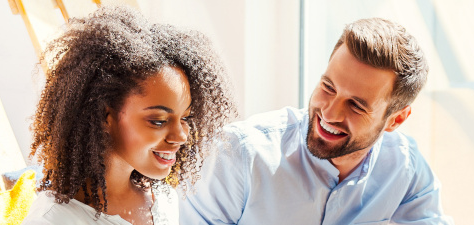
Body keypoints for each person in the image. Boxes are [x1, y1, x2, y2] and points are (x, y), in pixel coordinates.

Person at [180, 18, 452, 224]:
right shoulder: (238, 154)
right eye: (328, 87)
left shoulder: (405, 166)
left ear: (396, 119)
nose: (330, 114)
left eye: (356, 105)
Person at [22, 7, 235, 225]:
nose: (181, 136)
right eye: (158, 121)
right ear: (106, 115)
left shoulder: (163, 198)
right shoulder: (54, 220)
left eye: (185, 119)